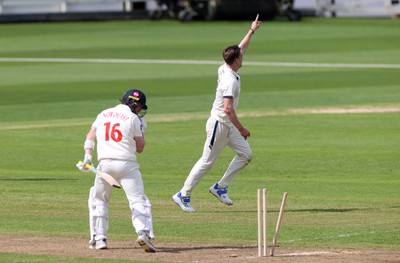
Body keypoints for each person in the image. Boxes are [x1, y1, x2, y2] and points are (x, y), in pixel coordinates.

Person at [172, 15, 262, 212]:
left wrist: (252, 30)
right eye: (241, 56)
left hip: (228, 125)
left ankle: (220, 187)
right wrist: (242, 128)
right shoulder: (229, 79)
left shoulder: (225, 66)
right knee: (206, 162)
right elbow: (228, 109)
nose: (243, 56)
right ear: (237, 60)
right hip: (220, 124)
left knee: (245, 155)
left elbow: (241, 47)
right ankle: (183, 195)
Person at [77, 89, 156, 252]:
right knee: (138, 200)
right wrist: (141, 132)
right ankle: (143, 233)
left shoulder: (103, 114)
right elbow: (140, 148)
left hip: (104, 165)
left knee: (99, 200)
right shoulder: (134, 119)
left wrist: (87, 158)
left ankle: (99, 239)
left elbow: (90, 136)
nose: (140, 110)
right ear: (135, 104)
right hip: (127, 165)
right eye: (140, 106)